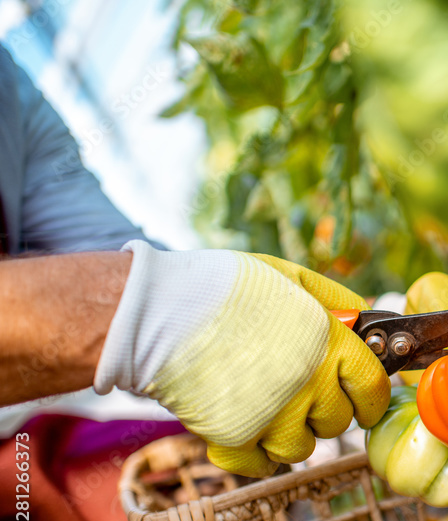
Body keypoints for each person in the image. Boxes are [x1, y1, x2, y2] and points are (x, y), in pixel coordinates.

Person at [0, 45, 390, 478]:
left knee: (188, 476)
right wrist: (152, 318)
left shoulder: (7, 87)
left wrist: (385, 319)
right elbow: (152, 301)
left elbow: (111, 251)